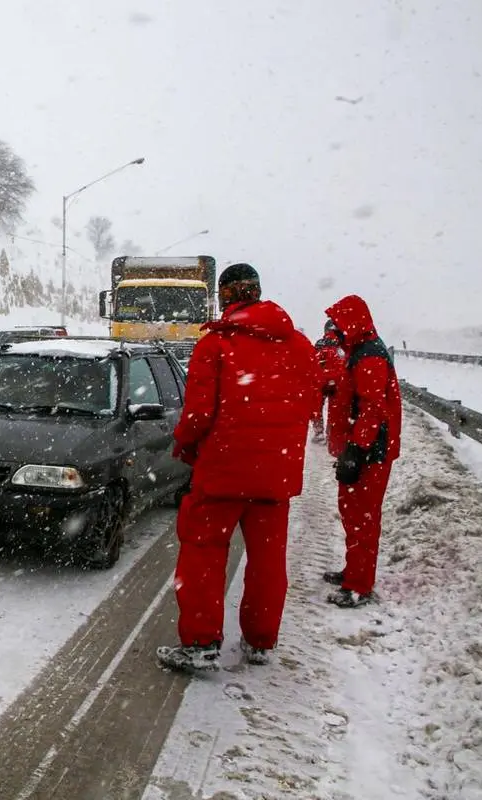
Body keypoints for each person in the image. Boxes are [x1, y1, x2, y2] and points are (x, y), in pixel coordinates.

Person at [156, 263, 321, 671]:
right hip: (275, 476)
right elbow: (310, 404)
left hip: (223, 472)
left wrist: (185, 445)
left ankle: (201, 643)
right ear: (259, 292)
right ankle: (260, 640)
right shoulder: (300, 346)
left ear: (225, 297)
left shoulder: (216, 346)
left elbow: (197, 415)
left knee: (203, 555)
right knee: (268, 560)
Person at [321, 294, 402, 608]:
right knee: (353, 513)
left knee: (362, 518)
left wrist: (356, 451)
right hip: (364, 449)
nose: (336, 330)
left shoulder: (368, 355)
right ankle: (354, 572)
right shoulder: (360, 350)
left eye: (340, 323)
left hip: (370, 452)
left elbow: (371, 409)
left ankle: (359, 585)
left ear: (353, 322)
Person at [312, 321, 347, 443]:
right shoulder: (344, 345)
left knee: (317, 407)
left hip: (321, 381)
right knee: (335, 409)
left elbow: (314, 361)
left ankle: (319, 432)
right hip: (338, 381)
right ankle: (331, 433)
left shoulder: (319, 344)